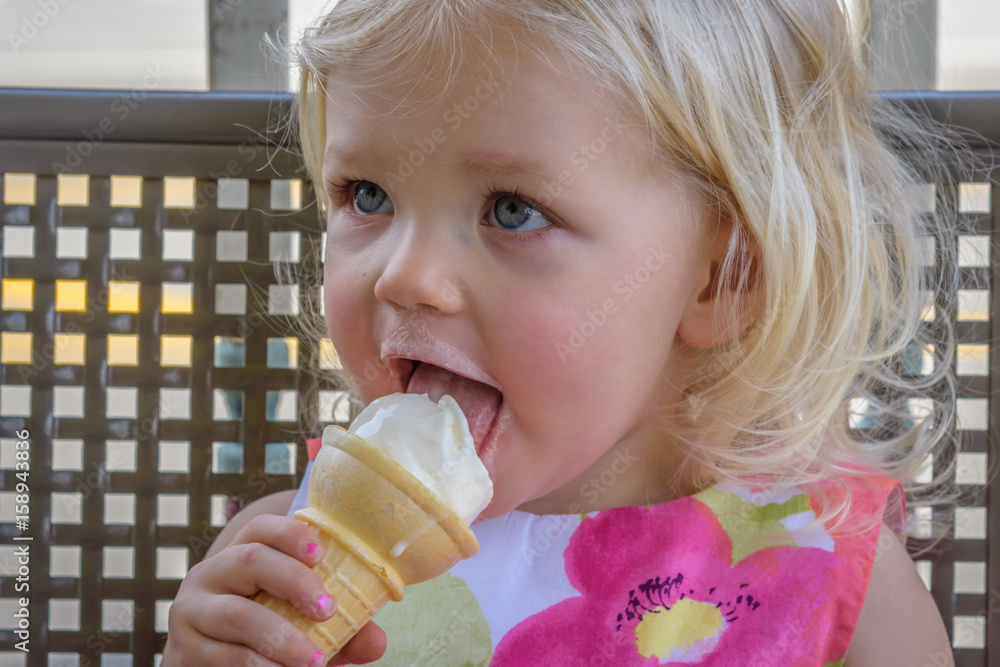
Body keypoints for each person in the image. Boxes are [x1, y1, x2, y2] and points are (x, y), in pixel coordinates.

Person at [165, 0, 972, 664]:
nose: (402, 277)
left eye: (513, 210)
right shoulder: (284, 561)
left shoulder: (834, 589)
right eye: (368, 195)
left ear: (723, 281)